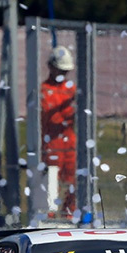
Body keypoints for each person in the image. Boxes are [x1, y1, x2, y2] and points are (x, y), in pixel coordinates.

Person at [41, 45, 77, 218]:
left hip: (70, 142)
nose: (63, 75)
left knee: (74, 182)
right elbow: (51, 118)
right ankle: (49, 219)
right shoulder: (44, 90)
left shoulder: (71, 89)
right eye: (60, 70)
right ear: (51, 67)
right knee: (51, 187)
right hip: (52, 145)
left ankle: (69, 214)